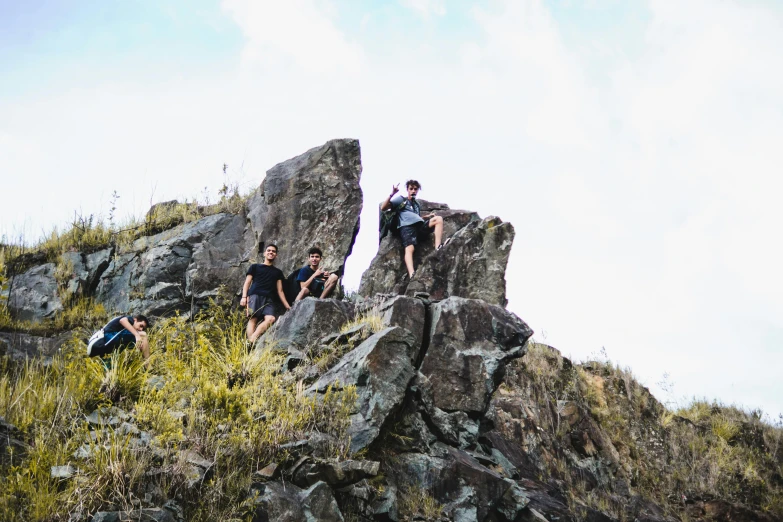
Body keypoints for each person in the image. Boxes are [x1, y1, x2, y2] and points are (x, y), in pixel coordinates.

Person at [380, 179, 445, 278]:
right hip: (406, 227)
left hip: (419, 226)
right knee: (410, 248)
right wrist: (392, 193)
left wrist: (426, 217)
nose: (413, 191)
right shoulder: (402, 200)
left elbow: (415, 216)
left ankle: (438, 247)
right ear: (407, 189)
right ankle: (412, 274)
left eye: (415, 189)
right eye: (411, 189)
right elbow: (383, 208)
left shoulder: (416, 205)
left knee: (438, 219)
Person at [240, 244, 292, 343]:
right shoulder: (255, 267)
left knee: (271, 319)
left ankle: (250, 341)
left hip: (269, 299)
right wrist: (244, 297)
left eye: (273, 251)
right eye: (268, 250)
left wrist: (287, 306)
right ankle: (251, 345)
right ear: (264, 253)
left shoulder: (278, 272)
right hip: (255, 295)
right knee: (253, 319)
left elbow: (280, 291)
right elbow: (247, 282)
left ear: (276, 255)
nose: (271, 252)